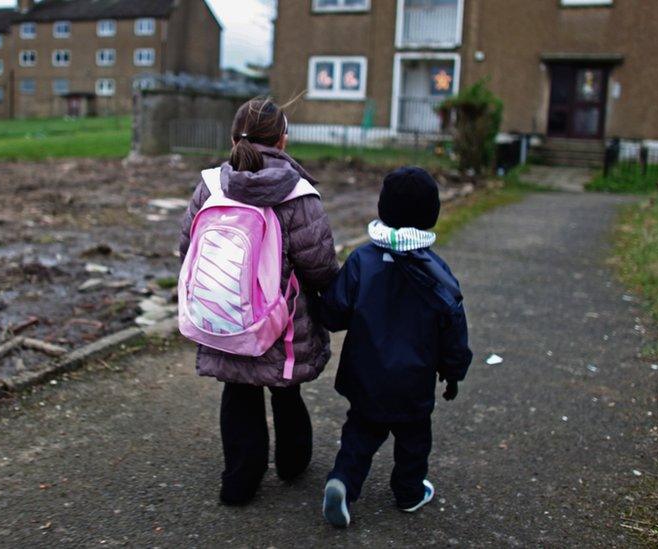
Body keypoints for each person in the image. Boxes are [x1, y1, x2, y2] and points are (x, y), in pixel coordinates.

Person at [178, 98, 338, 506]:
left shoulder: (210, 186)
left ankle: (238, 483)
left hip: (224, 316)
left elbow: (187, 248)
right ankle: (292, 464)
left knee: (238, 395)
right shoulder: (298, 194)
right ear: (283, 139)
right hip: (280, 325)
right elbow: (319, 266)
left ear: (234, 138)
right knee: (286, 393)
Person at [317, 167, 473, 527]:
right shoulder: (436, 271)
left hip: (366, 376)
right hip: (413, 381)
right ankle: (409, 492)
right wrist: (453, 373)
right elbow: (454, 326)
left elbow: (335, 312)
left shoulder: (362, 260)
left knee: (360, 432)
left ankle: (342, 481)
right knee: (414, 441)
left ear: (383, 207)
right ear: (430, 214)